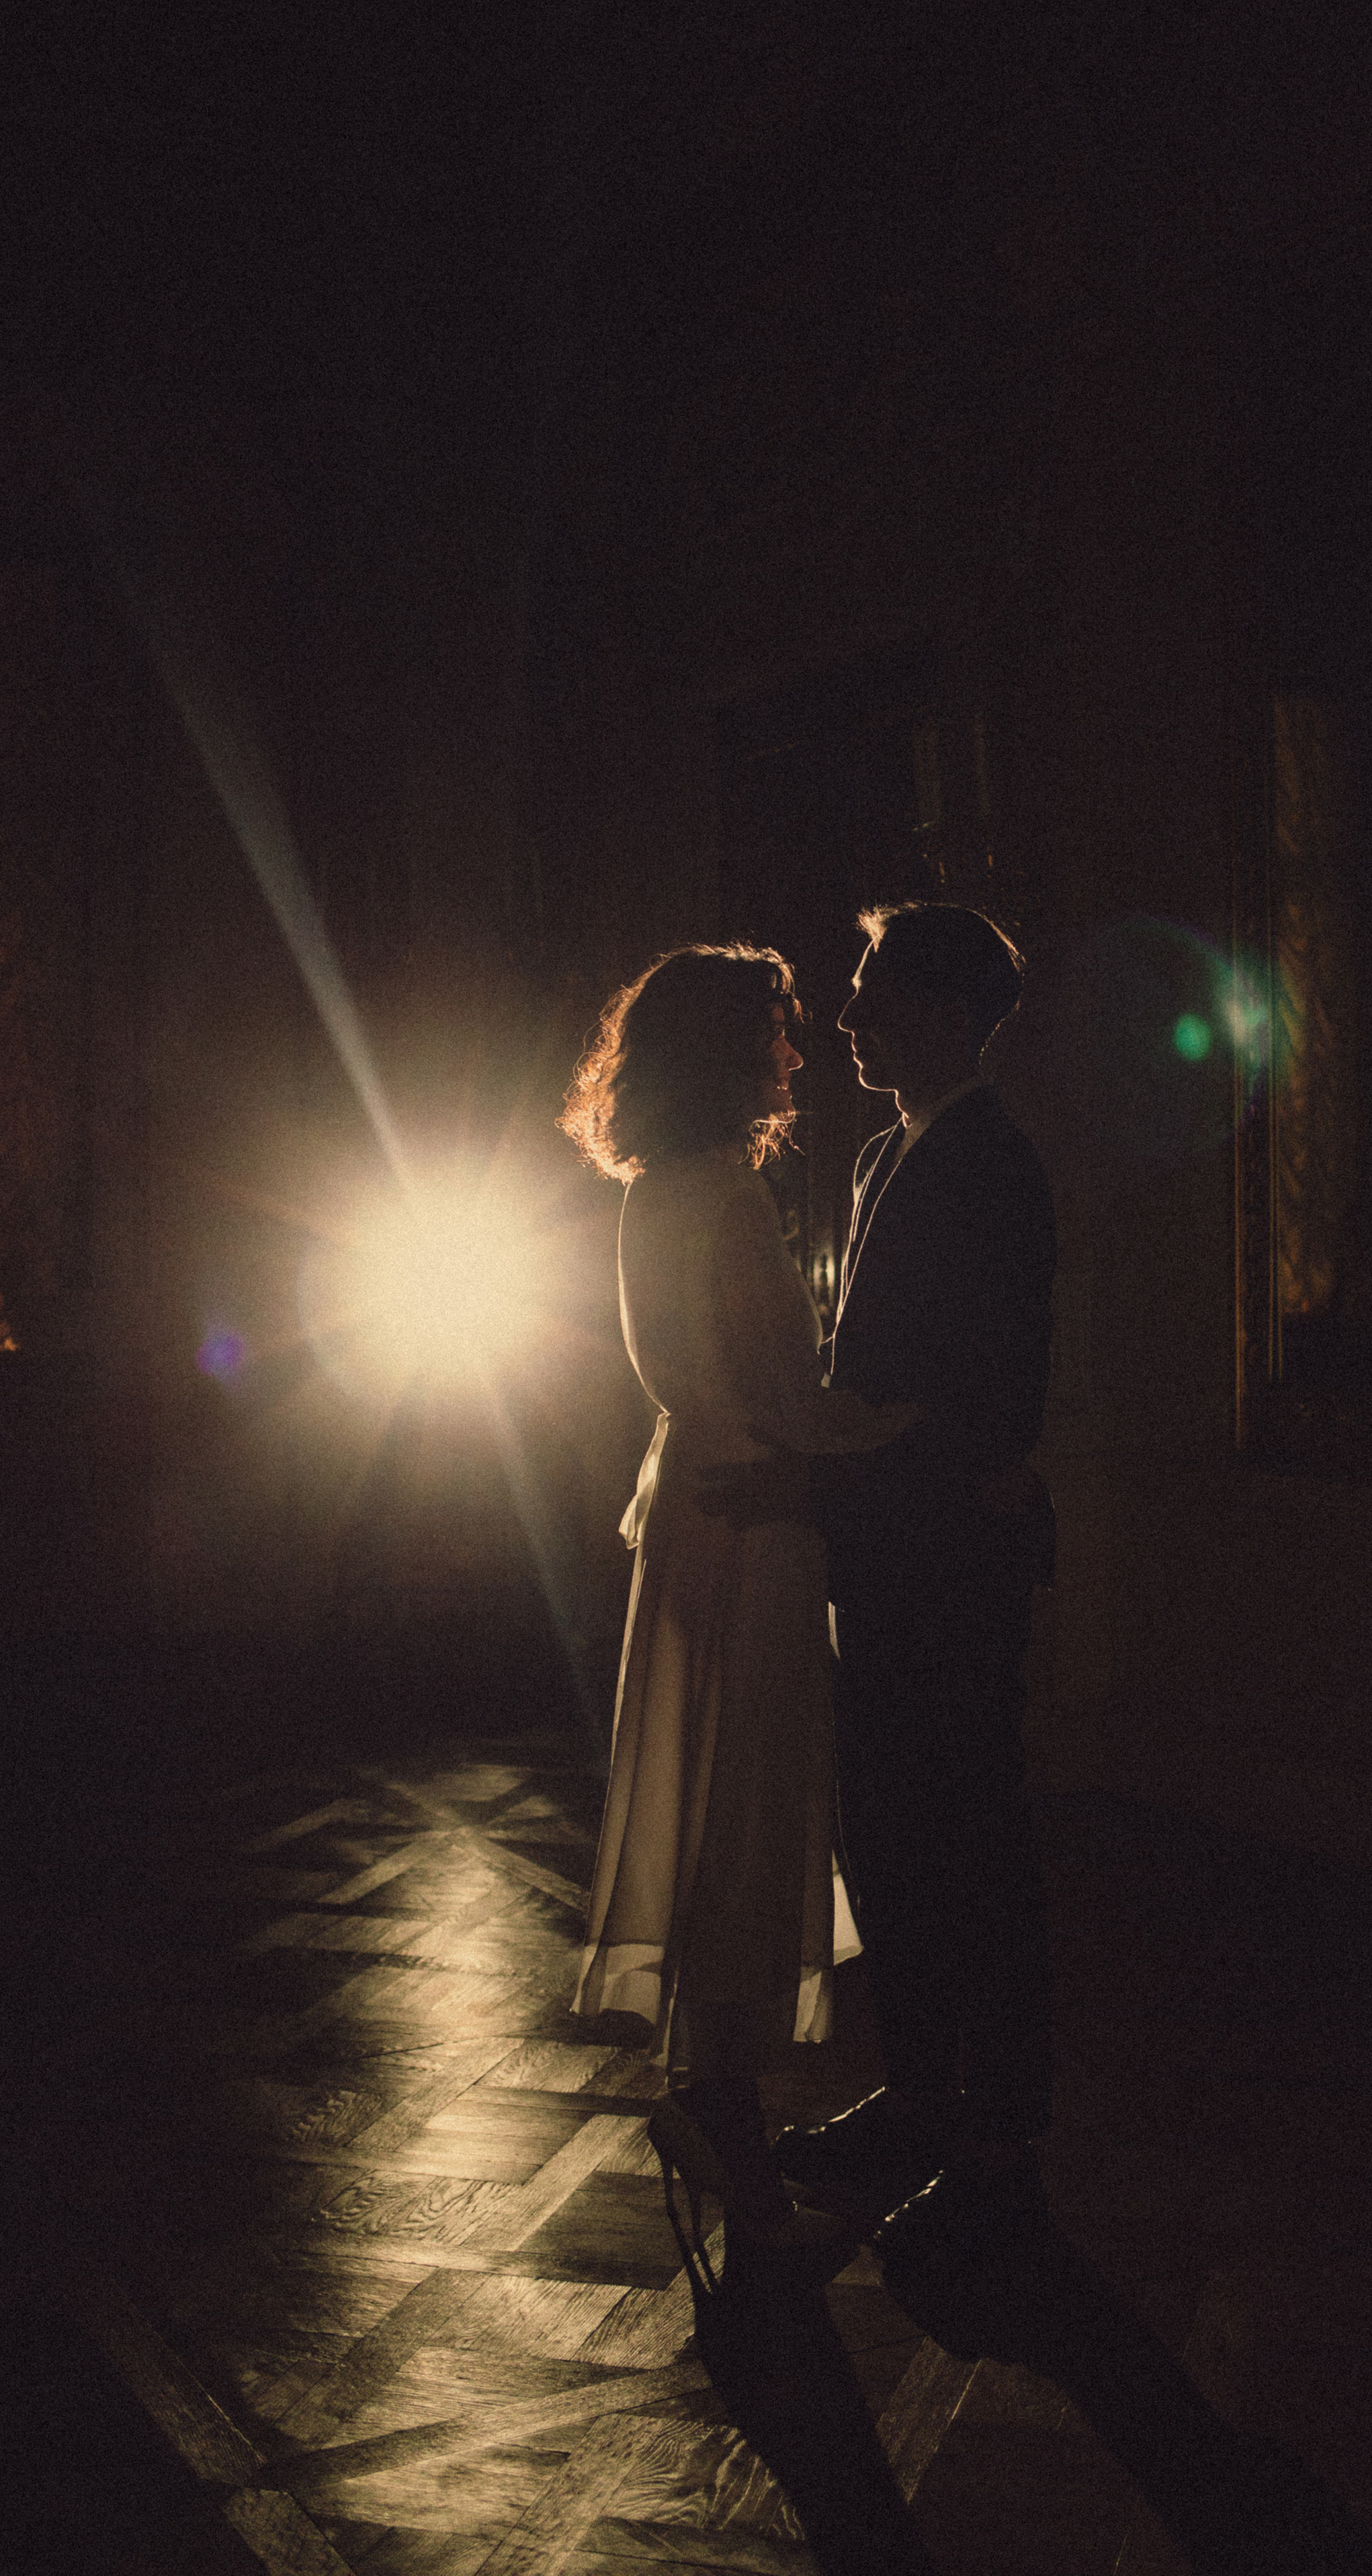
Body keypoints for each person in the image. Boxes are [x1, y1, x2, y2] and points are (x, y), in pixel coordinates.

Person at [557, 944, 912, 2273]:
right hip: (751, 1514)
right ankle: (720, 2101)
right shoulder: (722, 1192)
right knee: (750, 1794)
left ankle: (717, 2093)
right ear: (722, 1047)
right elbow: (783, 1390)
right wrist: (905, 1431)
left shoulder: (657, 1185)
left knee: (713, 1791)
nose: (791, 1048)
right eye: (772, 1025)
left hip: (698, 1505)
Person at [759, 902, 1058, 2270]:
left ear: (941, 1013)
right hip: (886, 1557)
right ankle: (921, 2098)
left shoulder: (993, 1169)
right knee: (889, 1835)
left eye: (870, 991)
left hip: (946, 1565)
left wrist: (824, 1463)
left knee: (964, 1846)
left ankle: (993, 2139)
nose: (846, 1017)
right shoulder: (887, 1152)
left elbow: (986, 1407)